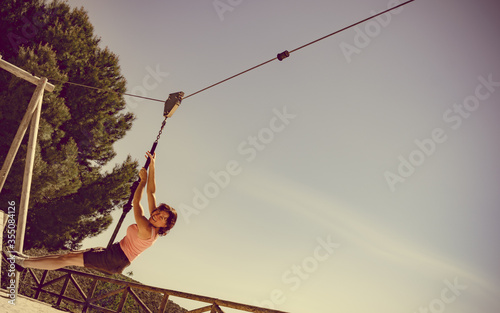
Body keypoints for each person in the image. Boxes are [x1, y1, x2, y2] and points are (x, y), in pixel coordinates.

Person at [3, 151, 177, 275]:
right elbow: (151, 193)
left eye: (162, 218)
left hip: (116, 259)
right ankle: (24, 259)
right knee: (67, 256)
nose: (157, 216)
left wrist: (142, 181)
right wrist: (153, 165)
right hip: (115, 252)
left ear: (165, 225)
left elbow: (137, 202)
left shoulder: (147, 229)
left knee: (66, 260)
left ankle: (21, 263)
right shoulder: (153, 222)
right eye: (158, 213)